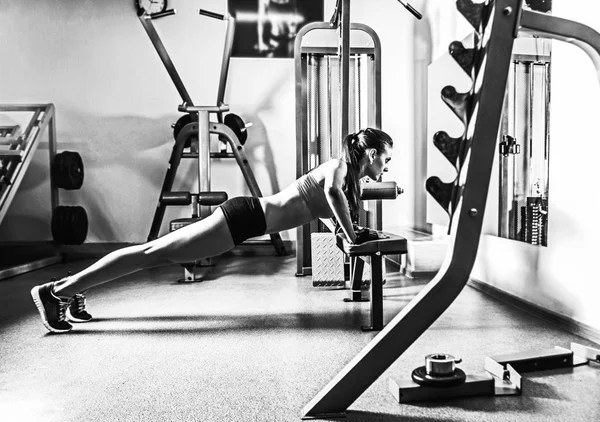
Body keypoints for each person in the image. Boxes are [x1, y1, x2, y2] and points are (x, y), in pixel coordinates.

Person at [31, 128, 394, 333]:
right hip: (243, 218)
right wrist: (351, 233)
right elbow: (331, 197)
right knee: (151, 254)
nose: (387, 166)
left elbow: (332, 214)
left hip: (244, 220)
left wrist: (351, 232)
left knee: (152, 254)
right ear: (372, 153)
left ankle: (72, 287)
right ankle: (57, 291)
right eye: (386, 158)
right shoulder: (337, 169)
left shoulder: (345, 183)